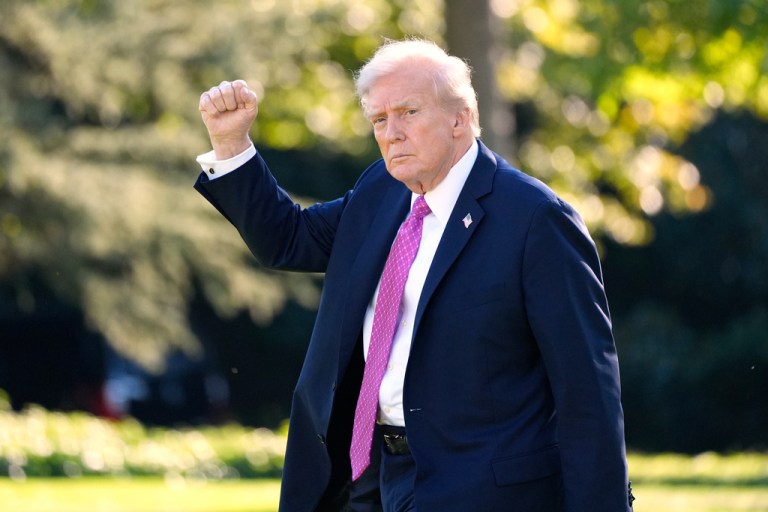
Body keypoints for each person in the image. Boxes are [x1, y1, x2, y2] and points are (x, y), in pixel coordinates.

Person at [194, 39, 633, 512]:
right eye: (379, 119)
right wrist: (232, 144)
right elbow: (288, 239)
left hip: (482, 490)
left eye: (408, 112)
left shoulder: (535, 220)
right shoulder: (379, 191)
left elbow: (587, 389)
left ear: (460, 117)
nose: (391, 133)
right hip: (366, 477)